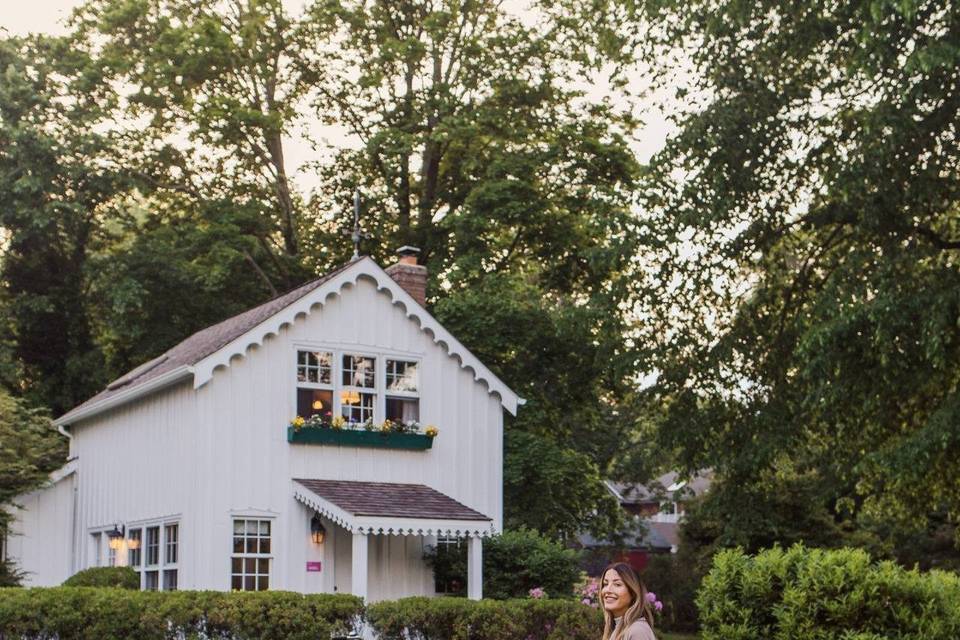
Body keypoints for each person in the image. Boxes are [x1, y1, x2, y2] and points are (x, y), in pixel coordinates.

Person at [599, 562, 657, 640]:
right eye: (605, 584)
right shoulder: (615, 628)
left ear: (633, 592)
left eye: (617, 584)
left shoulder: (637, 631)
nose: (608, 590)